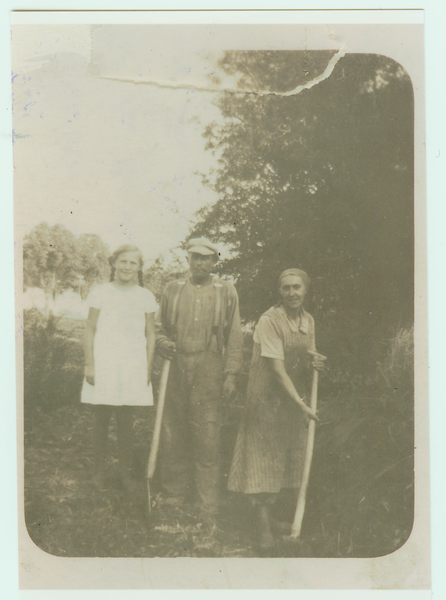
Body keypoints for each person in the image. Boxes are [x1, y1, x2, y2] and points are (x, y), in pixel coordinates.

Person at [227, 268, 325, 549]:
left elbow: (307, 358)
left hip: (292, 401)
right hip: (266, 399)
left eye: (297, 287)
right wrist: (301, 404)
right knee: (262, 460)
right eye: (286, 288)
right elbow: (278, 370)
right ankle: (262, 528)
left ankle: (274, 520)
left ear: (305, 290)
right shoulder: (269, 320)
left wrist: (315, 364)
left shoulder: (308, 321)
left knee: (286, 458)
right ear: (279, 292)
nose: (292, 293)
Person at [155, 237, 243, 522]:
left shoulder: (225, 291)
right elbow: (157, 328)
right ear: (188, 260)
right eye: (195, 257)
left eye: (206, 258)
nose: (200, 263)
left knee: (207, 436)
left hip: (209, 367)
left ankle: (208, 506)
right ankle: (173, 497)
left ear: (215, 261)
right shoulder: (173, 289)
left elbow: (234, 336)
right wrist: (162, 342)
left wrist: (230, 374)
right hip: (176, 363)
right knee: (173, 431)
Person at [81, 244, 157, 493]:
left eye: (133, 263)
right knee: (101, 419)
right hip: (105, 362)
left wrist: (147, 366)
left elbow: (150, 334)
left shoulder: (145, 296)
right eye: (123, 261)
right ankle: (98, 474)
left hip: (132, 364)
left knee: (126, 421)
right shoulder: (101, 292)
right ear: (114, 263)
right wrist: (90, 364)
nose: (127, 267)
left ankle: (125, 474)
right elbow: (90, 328)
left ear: (139, 268)